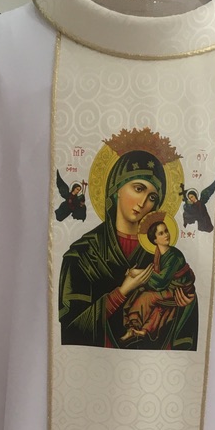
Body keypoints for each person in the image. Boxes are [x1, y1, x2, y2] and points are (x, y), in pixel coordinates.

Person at [58, 148, 199, 350]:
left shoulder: (162, 253)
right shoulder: (82, 254)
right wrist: (122, 292)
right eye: (138, 189)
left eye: (152, 197)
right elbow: (70, 330)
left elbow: (184, 318)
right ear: (116, 188)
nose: (143, 203)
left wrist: (183, 303)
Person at [121, 216, 197, 344]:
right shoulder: (159, 255)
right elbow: (157, 277)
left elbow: (161, 281)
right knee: (147, 298)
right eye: (161, 233)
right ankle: (137, 330)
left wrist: (138, 272)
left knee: (146, 297)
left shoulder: (174, 256)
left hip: (179, 290)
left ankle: (134, 325)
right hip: (170, 288)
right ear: (155, 240)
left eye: (166, 231)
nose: (166, 235)